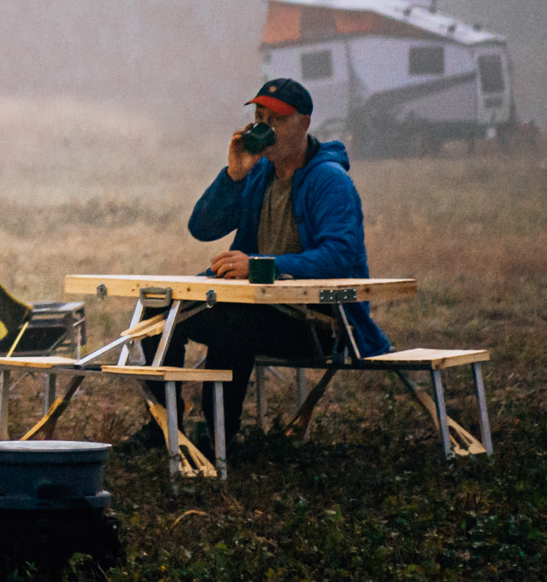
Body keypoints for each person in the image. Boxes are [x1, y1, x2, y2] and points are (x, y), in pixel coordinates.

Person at [138, 77, 390, 446]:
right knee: (159, 311)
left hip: (315, 323)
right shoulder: (258, 175)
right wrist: (232, 175)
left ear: (303, 124)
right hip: (259, 308)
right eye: (259, 117)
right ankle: (165, 425)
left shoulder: (329, 180)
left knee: (234, 319)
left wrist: (259, 266)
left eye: (276, 119)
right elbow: (202, 227)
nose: (264, 127)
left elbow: (340, 256)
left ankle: (218, 435)